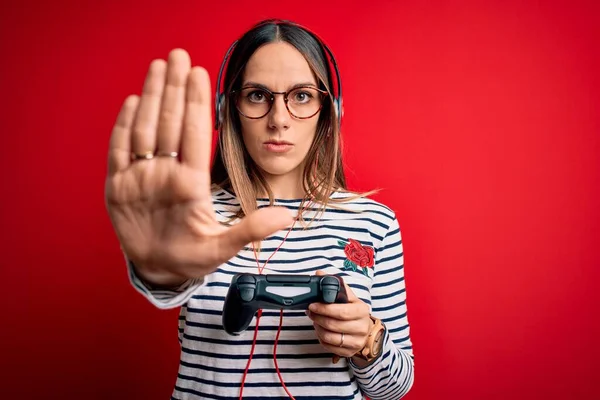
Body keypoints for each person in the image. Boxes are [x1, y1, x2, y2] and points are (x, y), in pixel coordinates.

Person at [104, 18, 414, 400]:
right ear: (228, 109)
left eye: (301, 96)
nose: (279, 120)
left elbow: (393, 390)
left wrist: (368, 339)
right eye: (257, 95)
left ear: (329, 110)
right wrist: (159, 275)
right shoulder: (193, 213)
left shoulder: (373, 222)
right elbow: (168, 283)